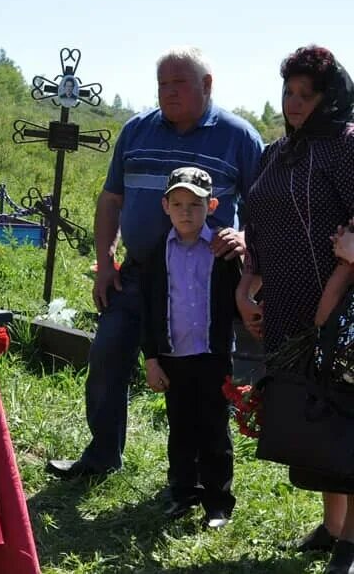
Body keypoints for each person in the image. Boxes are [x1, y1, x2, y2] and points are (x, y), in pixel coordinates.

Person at [46, 46, 264, 480]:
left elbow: (265, 205)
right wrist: (105, 260)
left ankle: (200, 477)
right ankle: (102, 454)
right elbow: (111, 199)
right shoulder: (137, 131)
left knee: (199, 379)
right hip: (139, 274)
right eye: (162, 83)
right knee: (108, 351)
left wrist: (244, 238)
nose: (168, 92)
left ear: (206, 85)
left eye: (178, 83)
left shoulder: (238, 137)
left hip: (204, 285)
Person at [238, 45, 354, 571]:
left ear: (330, 98)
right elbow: (257, 228)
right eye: (288, 92)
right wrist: (247, 286)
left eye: (306, 94)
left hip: (340, 315)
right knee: (312, 420)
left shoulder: (347, 146)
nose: (294, 103)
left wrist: (331, 299)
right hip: (287, 306)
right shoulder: (275, 152)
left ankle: (352, 540)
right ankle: (333, 526)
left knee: (345, 419)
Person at [140, 167, 240, 529]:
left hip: (212, 355)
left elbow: (242, 301)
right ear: (165, 205)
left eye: (195, 205)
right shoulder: (156, 254)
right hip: (172, 356)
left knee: (214, 427)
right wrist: (152, 358)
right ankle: (183, 491)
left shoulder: (223, 252)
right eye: (178, 203)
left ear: (211, 205)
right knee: (180, 428)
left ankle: (218, 502)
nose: (186, 212)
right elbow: (148, 311)